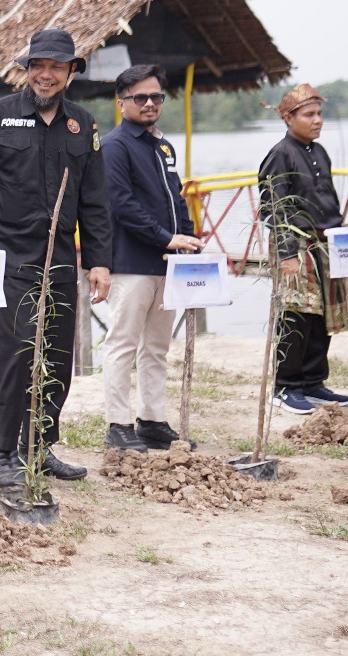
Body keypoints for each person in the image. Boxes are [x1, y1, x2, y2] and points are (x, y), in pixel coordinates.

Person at [0, 28, 113, 488]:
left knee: (58, 358)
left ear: (70, 72)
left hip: (58, 261)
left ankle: (39, 449)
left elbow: (96, 201)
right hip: (3, 262)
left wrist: (97, 260)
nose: (45, 75)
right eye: (37, 66)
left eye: (56, 67)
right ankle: (4, 455)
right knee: (12, 357)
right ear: (26, 69)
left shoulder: (83, 124)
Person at [98, 64, 204, 453]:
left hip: (168, 263)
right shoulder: (114, 146)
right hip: (130, 262)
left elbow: (175, 198)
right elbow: (121, 205)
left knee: (157, 345)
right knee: (122, 343)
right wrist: (166, 237)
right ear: (121, 102)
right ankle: (118, 425)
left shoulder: (162, 146)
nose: (149, 103)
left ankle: (153, 420)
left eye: (156, 97)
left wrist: (190, 237)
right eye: (139, 97)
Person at [258, 85, 348, 415]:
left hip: (325, 242)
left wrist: (342, 233)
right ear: (288, 117)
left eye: (319, 114)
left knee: (323, 313)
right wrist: (285, 254)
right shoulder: (280, 154)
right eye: (309, 115)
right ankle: (286, 386)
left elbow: (329, 199)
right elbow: (273, 206)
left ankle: (313, 381)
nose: (318, 121)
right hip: (295, 244)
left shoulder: (319, 152)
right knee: (296, 313)